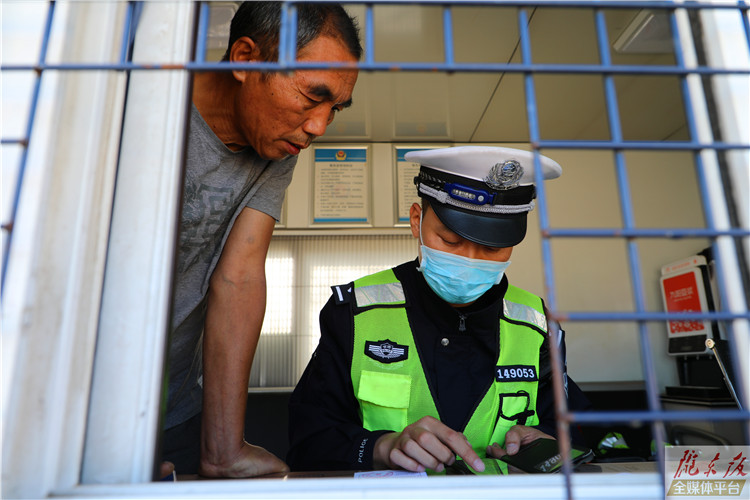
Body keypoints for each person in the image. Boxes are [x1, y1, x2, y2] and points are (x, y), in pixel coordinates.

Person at [287, 146, 590, 473]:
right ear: (416, 221)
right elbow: (307, 442)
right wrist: (381, 446)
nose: (470, 261)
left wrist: (547, 441)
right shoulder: (355, 313)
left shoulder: (536, 324)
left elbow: (582, 430)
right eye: (450, 241)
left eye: (492, 248)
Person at [162, 2, 361, 478]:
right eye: (312, 96)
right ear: (246, 59)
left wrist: (224, 450)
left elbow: (239, 277)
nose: (319, 127)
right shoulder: (149, 109)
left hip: (175, 407)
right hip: (75, 399)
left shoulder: (277, 148)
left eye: (335, 109)